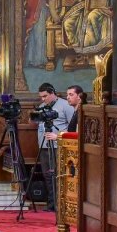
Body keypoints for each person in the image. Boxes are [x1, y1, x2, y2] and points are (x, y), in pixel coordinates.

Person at [37, 83, 75, 212]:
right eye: (41, 97)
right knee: (47, 175)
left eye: (45, 96)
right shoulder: (42, 107)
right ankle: (51, 203)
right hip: (44, 146)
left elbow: (73, 127)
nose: (43, 99)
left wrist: (58, 136)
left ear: (53, 93)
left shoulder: (65, 106)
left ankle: (60, 204)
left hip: (58, 145)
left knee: (58, 174)